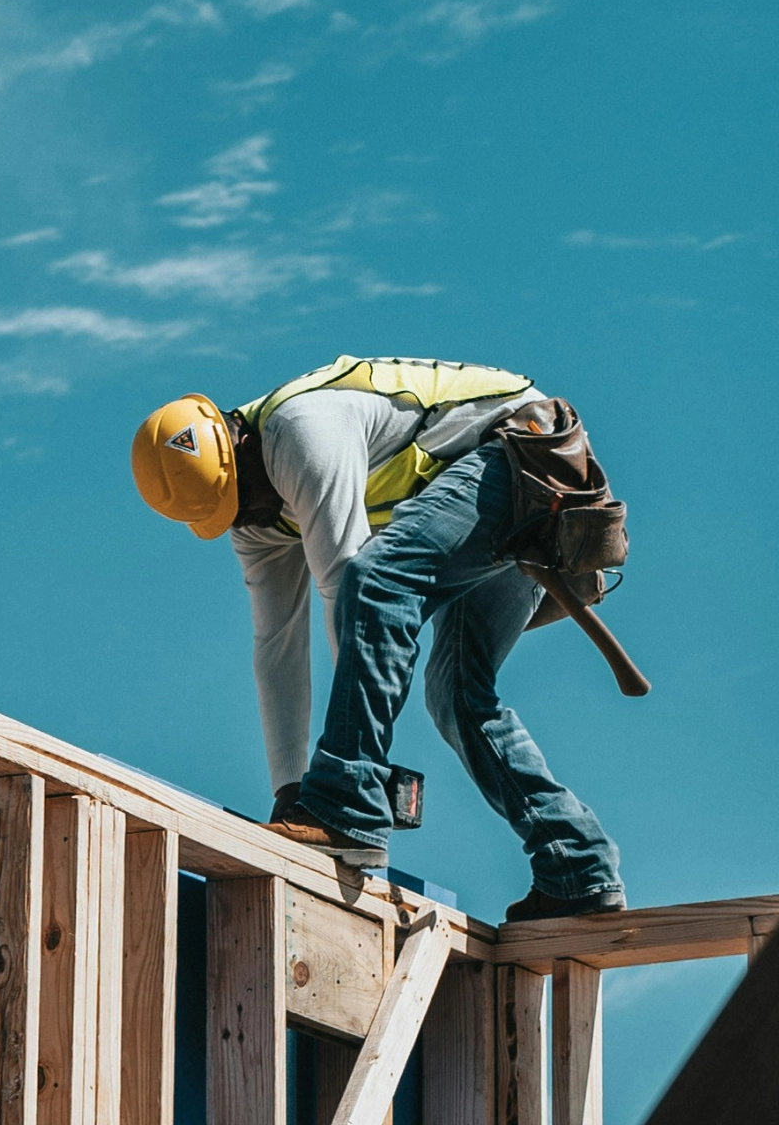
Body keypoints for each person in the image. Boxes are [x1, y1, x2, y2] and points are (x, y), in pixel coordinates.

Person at [130, 356, 625, 921]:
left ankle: (347, 801)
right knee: (457, 696)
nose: (250, 520)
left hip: (529, 460)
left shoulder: (300, 431)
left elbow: (351, 588)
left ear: (239, 444)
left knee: (376, 578)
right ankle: (577, 866)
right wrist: (289, 791)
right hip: (499, 497)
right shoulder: (255, 517)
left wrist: (344, 785)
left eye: (245, 501)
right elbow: (277, 650)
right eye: (231, 515)